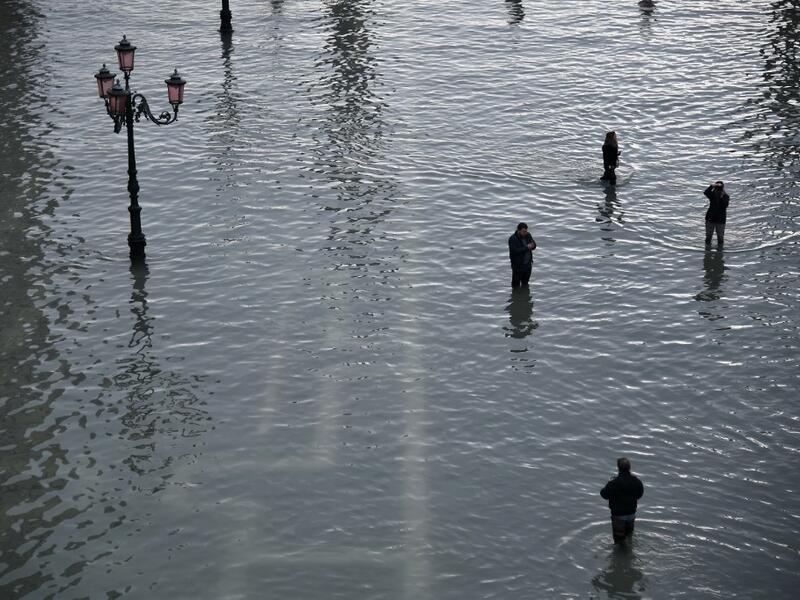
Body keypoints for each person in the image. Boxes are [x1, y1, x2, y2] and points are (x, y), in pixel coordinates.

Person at [600, 457, 644, 544]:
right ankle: (629, 551)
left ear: (618, 468)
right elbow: (640, 494)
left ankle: (622, 555)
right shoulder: (636, 481)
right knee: (629, 536)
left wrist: (608, 483)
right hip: (631, 513)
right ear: (629, 467)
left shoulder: (614, 482)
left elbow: (604, 494)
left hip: (618, 516)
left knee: (619, 541)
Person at [508, 222, 537, 288]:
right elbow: (515, 251)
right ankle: (516, 297)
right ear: (518, 231)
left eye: (526, 231)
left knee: (525, 283)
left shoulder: (528, 235)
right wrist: (527, 247)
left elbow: (534, 245)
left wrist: (532, 246)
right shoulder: (512, 239)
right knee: (515, 285)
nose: (525, 233)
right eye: (523, 232)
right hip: (518, 267)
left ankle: (524, 296)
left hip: (528, 265)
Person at [703, 181, 729, 246]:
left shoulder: (726, 196)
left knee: (720, 237)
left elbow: (725, 205)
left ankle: (720, 253)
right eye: (717, 188)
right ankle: (707, 253)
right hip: (710, 218)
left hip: (720, 220)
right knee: (708, 236)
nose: (718, 190)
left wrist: (722, 197)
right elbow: (706, 192)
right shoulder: (712, 195)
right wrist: (712, 186)